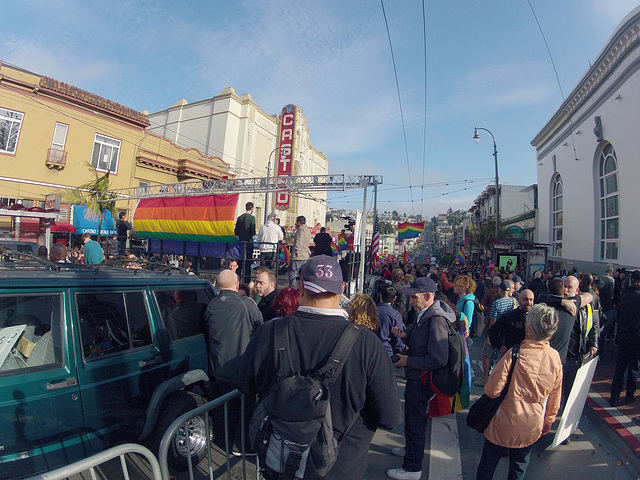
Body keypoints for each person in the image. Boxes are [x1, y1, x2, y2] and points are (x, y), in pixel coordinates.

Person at [237, 255, 402, 479]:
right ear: (342, 289)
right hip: (341, 466)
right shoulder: (367, 344)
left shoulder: (268, 332)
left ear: (301, 286)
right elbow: (390, 417)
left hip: (281, 461)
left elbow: (245, 384)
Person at [475, 304, 563, 480]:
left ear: (528, 329)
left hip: (503, 422)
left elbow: (492, 391)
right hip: (532, 424)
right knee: (519, 468)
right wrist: (549, 420)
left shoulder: (514, 353)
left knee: (488, 463)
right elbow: (555, 396)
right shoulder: (554, 358)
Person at [387, 277, 455, 480]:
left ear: (427, 296)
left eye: (414, 298)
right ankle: (410, 450)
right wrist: (406, 336)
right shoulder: (426, 314)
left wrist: (409, 362)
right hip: (418, 377)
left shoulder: (435, 320)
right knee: (412, 420)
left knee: (416, 422)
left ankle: (412, 468)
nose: (411, 302)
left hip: (421, 379)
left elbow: (438, 358)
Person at [206, 269, 262, 454]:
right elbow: (260, 325)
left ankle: (225, 440)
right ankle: (241, 445)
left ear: (217, 285)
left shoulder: (211, 305)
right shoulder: (246, 304)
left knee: (227, 409)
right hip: (241, 368)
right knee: (245, 410)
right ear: (237, 285)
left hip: (219, 369)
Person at [476, 281, 517, 386]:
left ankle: (485, 378)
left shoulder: (497, 303)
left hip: (497, 332)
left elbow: (493, 321)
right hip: (508, 333)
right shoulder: (514, 301)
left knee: (486, 354)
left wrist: (490, 336)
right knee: (503, 356)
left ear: (500, 290)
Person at [610, 270, 640, 406]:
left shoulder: (624, 294)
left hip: (622, 336)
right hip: (635, 338)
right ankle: (629, 395)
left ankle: (614, 397)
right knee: (633, 368)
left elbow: (618, 314)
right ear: (637, 282)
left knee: (620, 368)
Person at [488, 289, 535, 356]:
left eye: (531, 300)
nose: (528, 302)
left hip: (530, 355)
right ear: (519, 300)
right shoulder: (510, 316)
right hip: (512, 356)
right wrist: (500, 346)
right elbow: (493, 330)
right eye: (526, 299)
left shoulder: (535, 318)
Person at [376, 285, 405, 359]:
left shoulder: (371, 311)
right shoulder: (395, 314)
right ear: (394, 298)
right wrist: (399, 350)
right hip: (387, 351)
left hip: (370, 347)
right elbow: (398, 335)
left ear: (380, 296)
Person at [234, 202, 256, 283]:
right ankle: (246, 281)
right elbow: (252, 232)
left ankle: (238, 280)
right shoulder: (252, 218)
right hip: (248, 243)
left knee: (239, 263)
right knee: (248, 264)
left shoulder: (240, 218)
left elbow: (236, 231)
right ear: (252, 208)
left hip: (240, 243)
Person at [288, 215, 312, 288]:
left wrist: (296, 251)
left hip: (298, 255)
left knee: (293, 273)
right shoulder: (307, 230)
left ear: (299, 222)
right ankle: (302, 289)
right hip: (305, 255)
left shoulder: (300, 230)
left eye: (296, 222)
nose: (295, 224)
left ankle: (293, 289)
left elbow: (299, 241)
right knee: (303, 275)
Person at [453, 274, 477, 339]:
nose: (454, 286)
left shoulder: (468, 302)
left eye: (457, 285)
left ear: (464, 287)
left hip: (463, 336)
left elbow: (468, 322)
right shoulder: (460, 299)